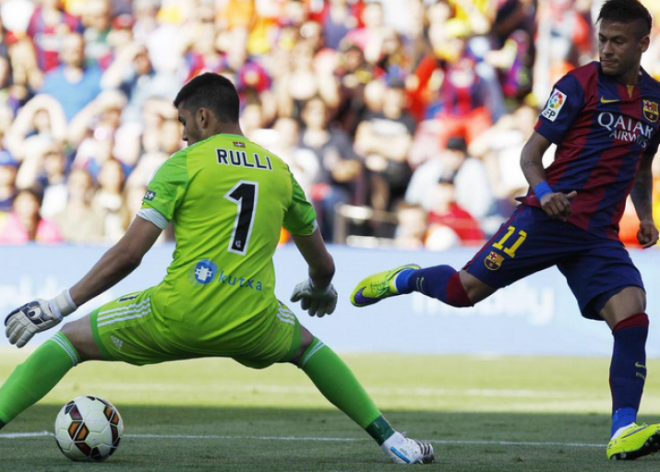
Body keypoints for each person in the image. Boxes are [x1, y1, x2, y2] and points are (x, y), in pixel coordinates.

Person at [0, 73, 434, 465]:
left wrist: (56, 304)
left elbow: (130, 254)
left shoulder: (184, 165)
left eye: (183, 122)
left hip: (176, 315)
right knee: (308, 349)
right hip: (254, 322)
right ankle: (392, 439)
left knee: (70, 340)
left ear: (203, 116)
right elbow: (323, 263)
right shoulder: (281, 172)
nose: (183, 134)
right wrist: (320, 287)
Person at [351, 0, 660, 461]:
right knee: (462, 292)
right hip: (546, 217)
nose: (607, 49)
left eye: (618, 41)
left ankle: (622, 430)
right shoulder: (578, 85)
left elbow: (641, 163)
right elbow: (530, 155)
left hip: (597, 234)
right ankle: (407, 278)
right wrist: (545, 191)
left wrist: (646, 213)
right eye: (602, 39)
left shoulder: (654, 102)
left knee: (632, 315)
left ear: (643, 43)